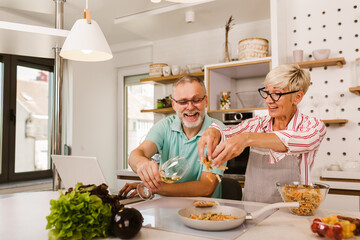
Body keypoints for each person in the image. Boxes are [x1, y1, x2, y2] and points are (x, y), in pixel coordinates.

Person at [197, 64, 327, 203]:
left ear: (297, 97)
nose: (268, 100)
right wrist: (213, 131)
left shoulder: (313, 126)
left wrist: (247, 138)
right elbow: (225, 133)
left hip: (294, 210)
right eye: (266, 92)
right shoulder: (255, 124)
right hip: (252, 209)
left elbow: (300, 140)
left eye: (276, 94)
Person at [119, 75, 226, 199]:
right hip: (164, 210)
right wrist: (142, 164)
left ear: (205, 101)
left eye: (196, 100)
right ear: (174, 104)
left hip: (203, 214)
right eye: (183, 102)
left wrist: (151, 187)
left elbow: (206, 187)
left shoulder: (217, 130)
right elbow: (137, 153)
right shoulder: (165, 126)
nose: (190, 107)